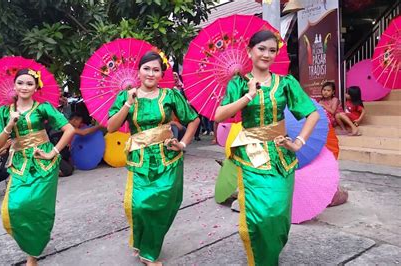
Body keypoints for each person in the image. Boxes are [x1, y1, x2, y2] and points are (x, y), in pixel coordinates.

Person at [214, 30, 320, 265]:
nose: (267, 54)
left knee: (279, 216)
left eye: (272, 50)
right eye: (261, 49)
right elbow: (220, 115)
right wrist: (248, 96)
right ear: (250, 51)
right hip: (251, 156)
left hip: (281, 156)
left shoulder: (286, 83)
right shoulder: (239, 83)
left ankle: (271, 254)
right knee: (258, 215)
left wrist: (298, 143)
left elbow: (312, 115)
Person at [107, 51, 200, 266]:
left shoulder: (170, 96)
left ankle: (149, 252)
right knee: (139, 206)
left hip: (168, 158)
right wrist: (128, 104)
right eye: (146, 68)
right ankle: (142, 242)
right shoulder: (125, 96)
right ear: (138, 72)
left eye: (156, 70)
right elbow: (111, 127)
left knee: (165, 204)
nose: (150, 73)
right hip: (140, 160)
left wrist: (183, 143)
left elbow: (193, 120)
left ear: (161, 74)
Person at [0, 68, 75, 266]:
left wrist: (53, 152)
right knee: (14, 208)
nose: (24, 87)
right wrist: (9, 126)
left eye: (30, 83)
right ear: (14, 85)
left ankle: (33, 255)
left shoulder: (42, 108)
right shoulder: (5, 112)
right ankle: (30, 243)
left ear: (36, 87)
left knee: (39, 208)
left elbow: (70, 129)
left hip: (44, 162)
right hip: (20, 163)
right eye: (20, 83)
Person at [47, 112, 102, 177]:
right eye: (79, 121)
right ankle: (49, 172)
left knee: (70, 163)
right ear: (74, 120)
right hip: (50, 152)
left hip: (56, 151)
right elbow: (84, 132)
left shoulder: (62, 124)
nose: (79, 124)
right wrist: (100, 126)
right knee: (68, 170)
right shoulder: (66, 126)